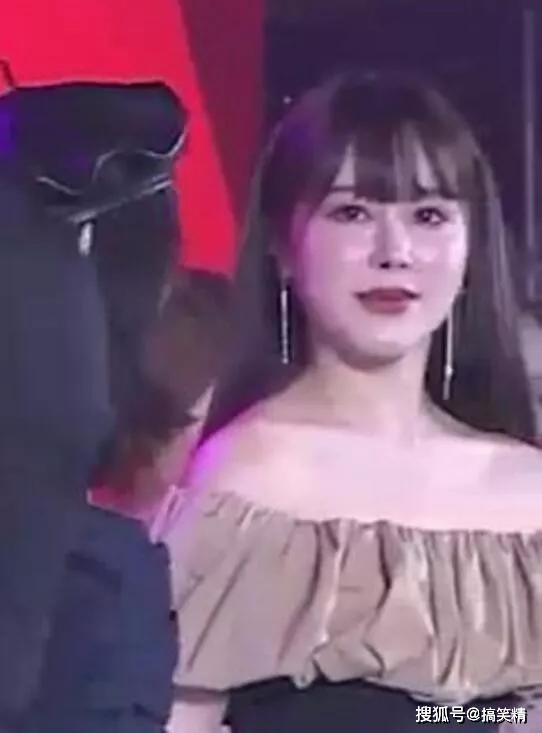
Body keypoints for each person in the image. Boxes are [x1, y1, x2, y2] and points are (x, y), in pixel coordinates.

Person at [155, 71, 542, 732]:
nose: (395, 252)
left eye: (428, 216)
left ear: (471, 249)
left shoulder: (526, 493)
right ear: (283, 246)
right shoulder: (244, 488)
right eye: (353, 213)